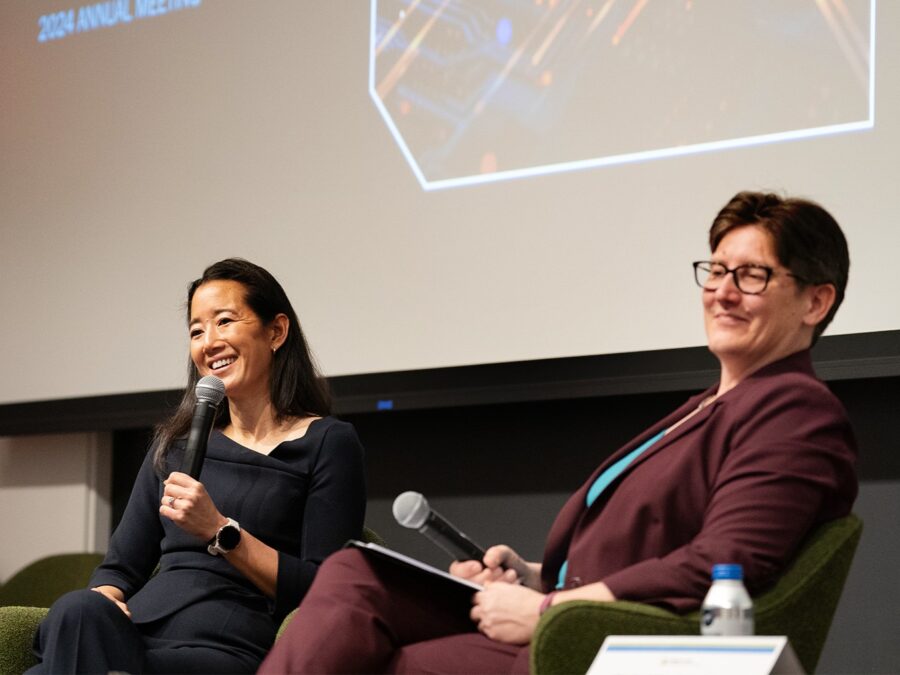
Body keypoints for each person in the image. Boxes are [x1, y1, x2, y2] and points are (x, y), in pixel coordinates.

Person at [259, 191, 858, 674]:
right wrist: (530, 574)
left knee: (391, 662)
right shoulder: (706, 406)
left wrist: (547, 607)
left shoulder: (797, 412)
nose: (723, 291)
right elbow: (644, 548)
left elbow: (723, 565)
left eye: (752, 276)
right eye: (717, 270)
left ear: (815, 301)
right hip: (563, 611)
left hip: (600, 640)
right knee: (356, 573)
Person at [28, 258, 367, 674]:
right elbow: (119, 568)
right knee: (80, 608)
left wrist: (221, 531)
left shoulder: (328, 443)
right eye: (196, 330)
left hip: (223, 646)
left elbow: (328, 589)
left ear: (276, 331)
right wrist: (107, 596)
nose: (208, 342)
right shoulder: (175, 446)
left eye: (224, 321)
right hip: (138, 635)